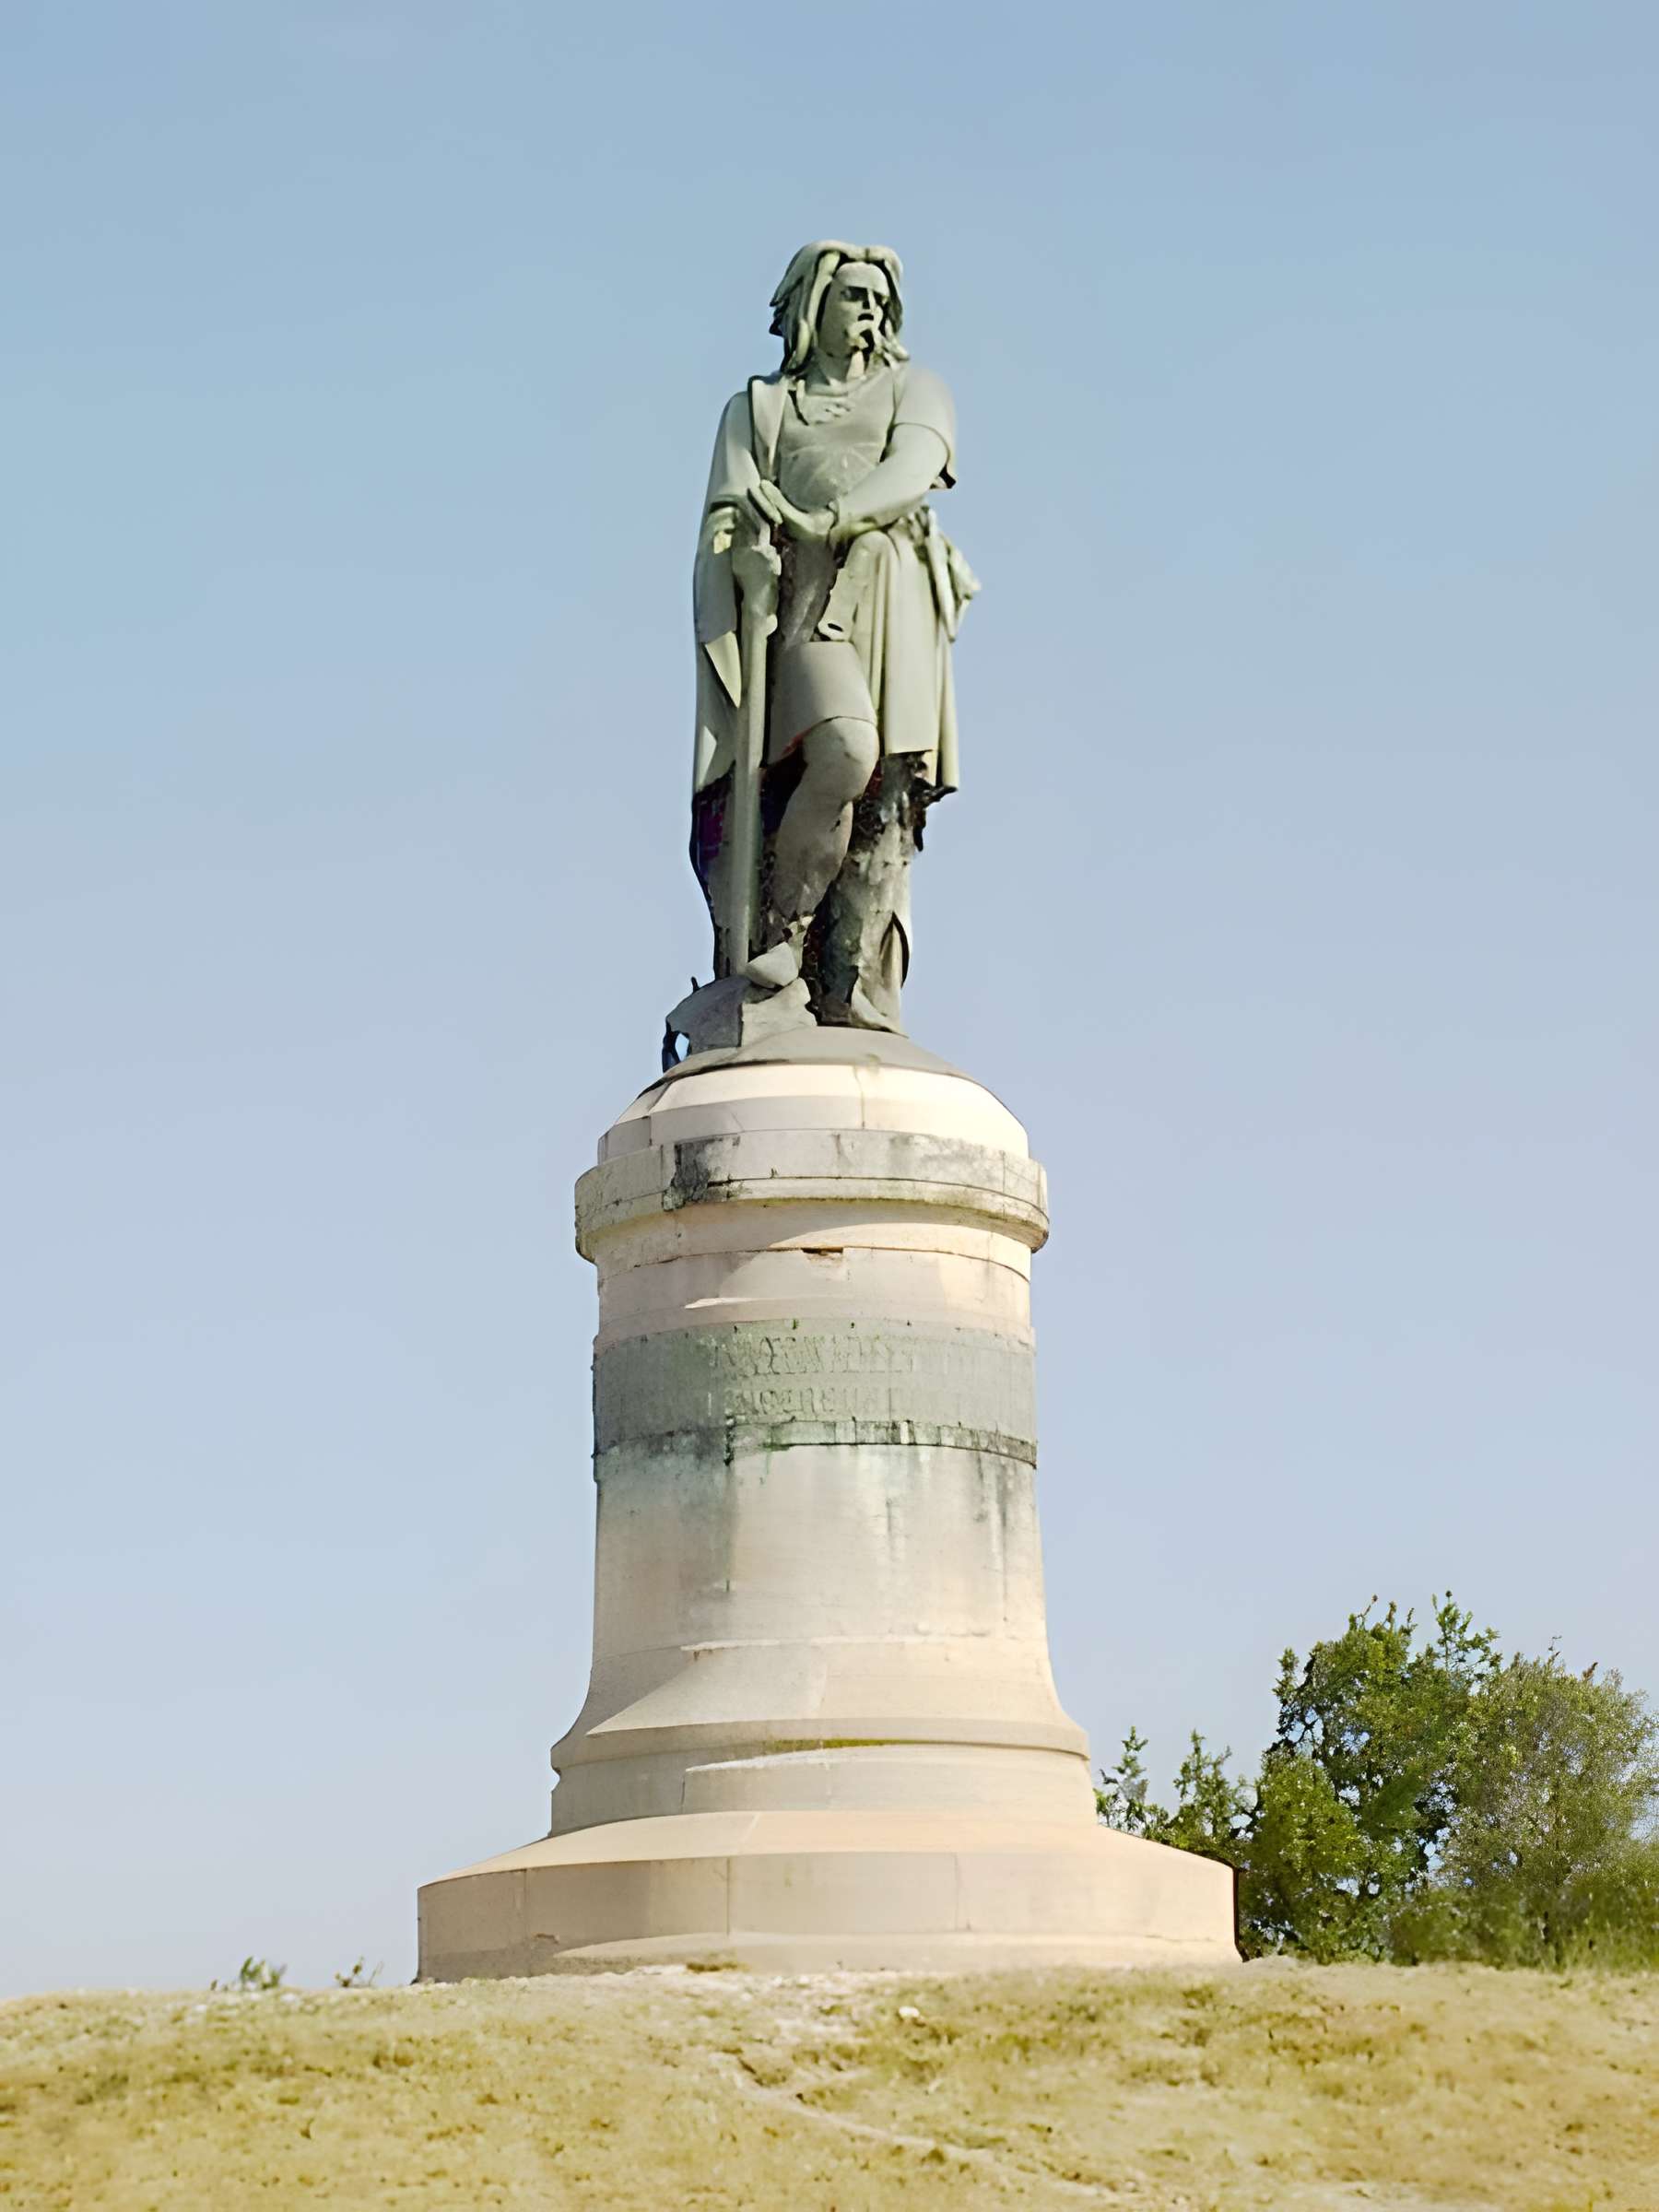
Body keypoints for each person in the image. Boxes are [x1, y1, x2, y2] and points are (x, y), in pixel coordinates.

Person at [691, 241, 976, 1030]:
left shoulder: (915, 390)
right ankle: (781, 936)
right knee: (846, 750)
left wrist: (833, 516)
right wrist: (743, 550)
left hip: (889, 596)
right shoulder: (759, 409)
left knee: (885, 794)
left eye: (880, 302)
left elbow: (914, 465)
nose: (870, 314)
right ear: (812, 309)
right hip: (805, 607)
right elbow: (726, 512)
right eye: (853, 297)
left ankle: (848, 979)